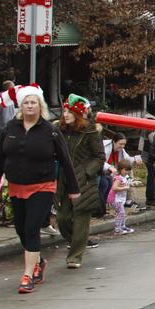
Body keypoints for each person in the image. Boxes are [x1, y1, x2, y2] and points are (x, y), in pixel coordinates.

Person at [0, 85, 80, 293]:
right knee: (21, 229)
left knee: (32, 228)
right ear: (20, 106)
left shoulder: (50, 131)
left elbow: (65, 160)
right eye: (26, 103)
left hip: (42, 186)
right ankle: (38, 261)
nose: (30, 106)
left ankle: (27, 274)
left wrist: (73, 188)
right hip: (16, 186)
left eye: (33, 102)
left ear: (40, 105)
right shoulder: (9, 129)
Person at [56, 94, 106, 269]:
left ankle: (75, 256)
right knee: (62, 219)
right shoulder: (60, 130)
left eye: (69, 111)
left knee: (81, 219)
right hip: (64, 180)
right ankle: (76, 241)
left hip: (84, 181)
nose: (66, 114)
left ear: (77, 114)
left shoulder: (90, 130)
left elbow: (100, 157)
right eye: (64, 111)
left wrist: (86, 172)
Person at [141, 100, 155, 206]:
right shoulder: (151, 122)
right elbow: (153, 138)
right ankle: (151, 198)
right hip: (150, 153)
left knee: (152, 174)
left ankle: (151, 197)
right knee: (153, 175)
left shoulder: (145, 119)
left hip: (145, 151)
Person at [110, 159, 135, 235]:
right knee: (121, 212)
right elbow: (114, 188)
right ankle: (117, 228)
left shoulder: (126, 176)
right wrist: (125, 188)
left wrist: (134, 182)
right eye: (125, 170)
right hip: (115, 199)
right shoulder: (118, 178)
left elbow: (130, 181)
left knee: (122, 213)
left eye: (128, 170)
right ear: (120, 169)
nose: (127, 172)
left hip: (121, 199)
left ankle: (122, 226)